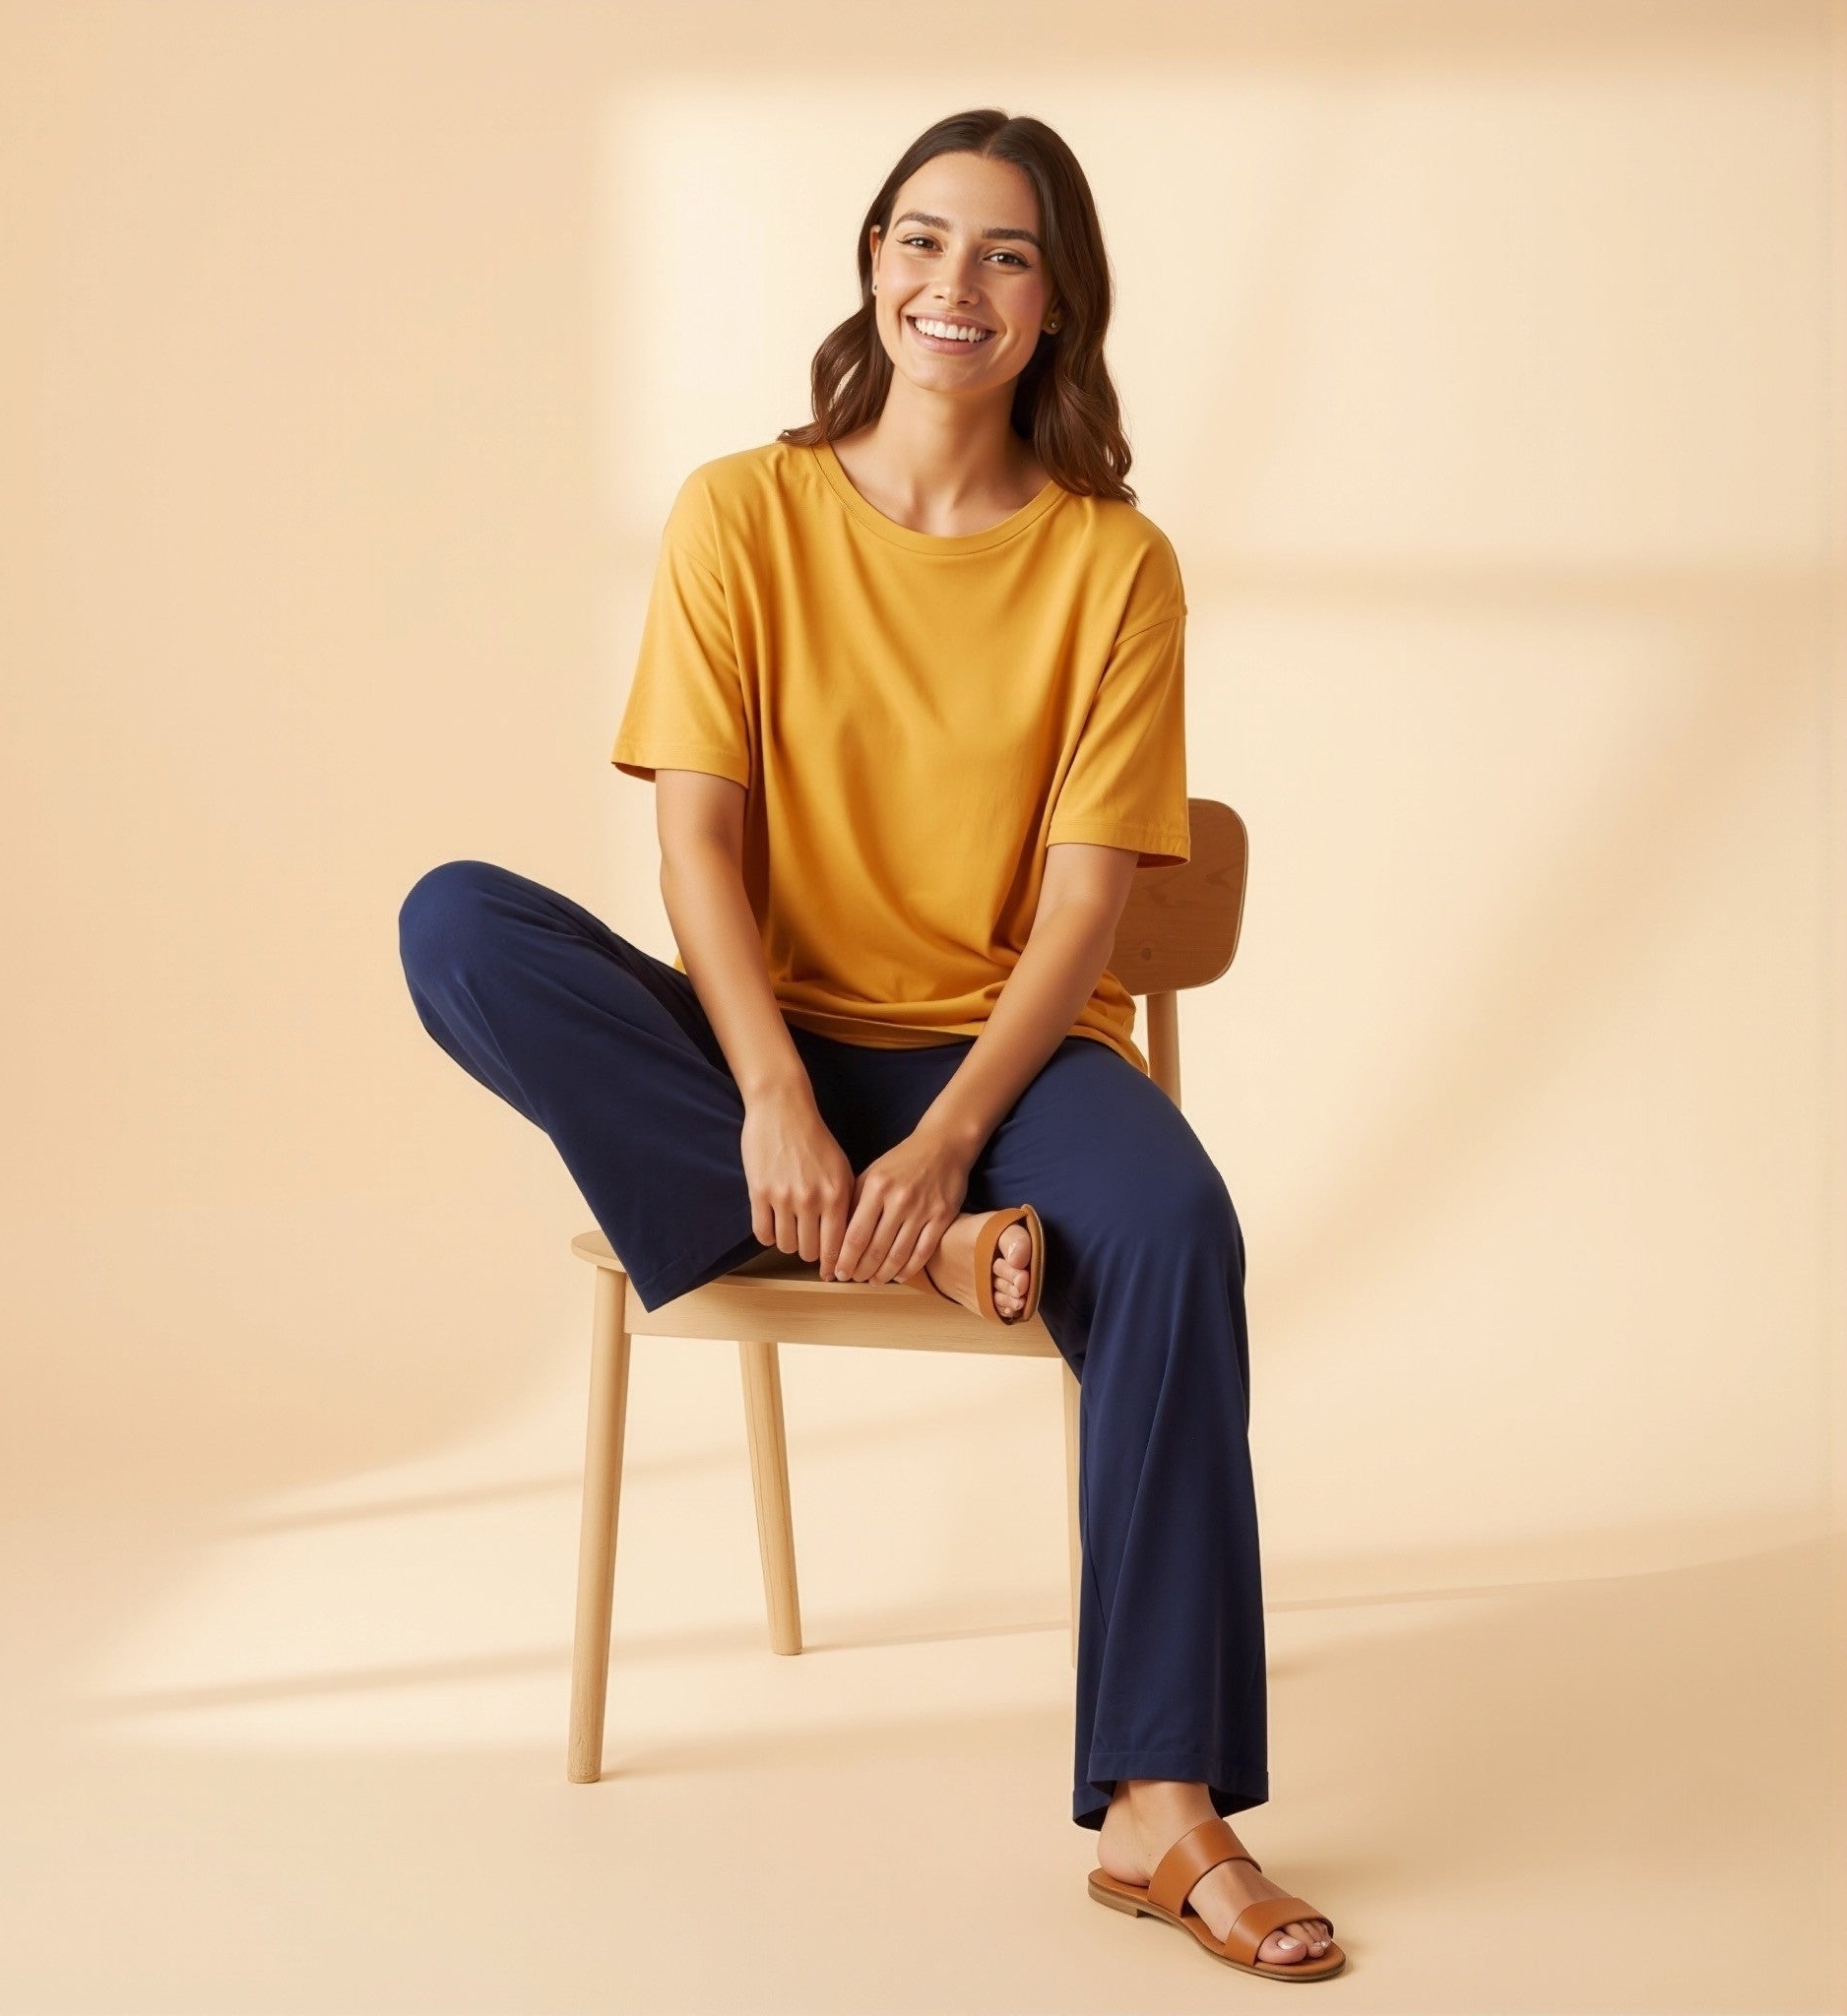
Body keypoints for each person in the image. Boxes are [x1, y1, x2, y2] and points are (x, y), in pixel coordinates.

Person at [399, 108, 1344, 1983]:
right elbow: (696, 841)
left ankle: (1163, 1808)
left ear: (1059, 298)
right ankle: (844, 1223)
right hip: (760, 1049)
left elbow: (1083, 905)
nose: (954, 286)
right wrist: (768, 1092)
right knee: (457, 923)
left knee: (1173, 1227)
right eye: (923, 241)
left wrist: (941, 1143)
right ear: (871, 264)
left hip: (1000, 1062)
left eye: (1003, 253)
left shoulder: (1110, 564)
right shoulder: (739, 512)